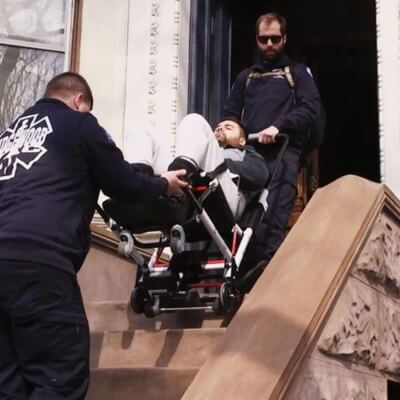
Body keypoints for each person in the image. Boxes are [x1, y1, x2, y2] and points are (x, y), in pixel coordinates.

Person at [0, 72, 187, 399]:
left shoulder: (7, 137)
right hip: (40, 263)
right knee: (60, 376)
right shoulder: (79, 124)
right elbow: (125, 183)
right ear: (79, 100)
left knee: (10, 383)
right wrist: (163, 183)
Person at [222, 12, 321, 270]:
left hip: (284, 154)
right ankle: (236, 275)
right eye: (263, 39)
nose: (269, 45)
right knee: (239, 216)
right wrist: (228, 131)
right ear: (256, 39)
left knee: (272, 220)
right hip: (250, 155)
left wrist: (279, 126)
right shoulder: (246, 77)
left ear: (284, 39)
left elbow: (311, 108)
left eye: (274, 39)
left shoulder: (297, 73)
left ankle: (264, 277)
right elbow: (231, 112)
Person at [125, 113, 269, 219]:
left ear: (242, 140)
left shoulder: (248, 155)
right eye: (218, 127)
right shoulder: (202, 146)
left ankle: (179, 177)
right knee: (142, 128)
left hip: (224, 198)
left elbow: (259, 176)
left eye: (228, 128)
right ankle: (137, 187)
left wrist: (220, 162)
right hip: (191, 180)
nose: (219, 129)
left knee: (194, 120)